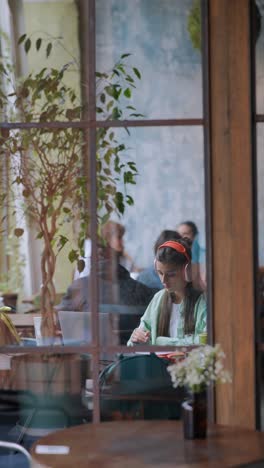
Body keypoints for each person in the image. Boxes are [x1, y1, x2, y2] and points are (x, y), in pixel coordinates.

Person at [127, 238, 206, 346]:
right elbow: (138, 340)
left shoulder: (203, 302)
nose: (163, 280)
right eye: (160, 273)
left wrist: (161, 341)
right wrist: (136, 339)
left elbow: (205, 341)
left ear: (187, 271)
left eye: (171, 274)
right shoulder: (158, 298)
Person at [74, 220, 139, 279]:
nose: (123, 241)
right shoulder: (93, 257)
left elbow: (136, 272)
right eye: (119, 237)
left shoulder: (121, 256)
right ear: (108, 239)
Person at [177, 220, 206, 291]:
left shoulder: (201, 252)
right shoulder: (176, 255)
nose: (181, 237)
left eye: (185, 234)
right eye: (179, 235)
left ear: (195, 236)